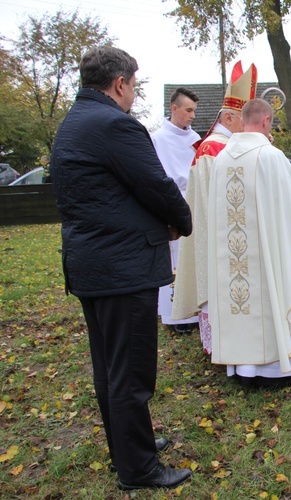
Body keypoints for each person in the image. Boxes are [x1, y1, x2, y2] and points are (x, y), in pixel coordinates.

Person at [50, 46, 192, 490]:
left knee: (110, 367)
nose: (133, 93)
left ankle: (130, 445)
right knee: (130, 372)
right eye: (133, 85)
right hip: (121, 266)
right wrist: (182, 221)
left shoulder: (73, 122)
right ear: (120, 84)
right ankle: (139, 469)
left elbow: (107, 195)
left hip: (93, 265)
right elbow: (155, 184)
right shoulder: (115, 124)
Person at [206, 98, 291, 386]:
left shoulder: (222, 158)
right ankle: (277, 369)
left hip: (231, 257)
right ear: (266, 121)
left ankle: (242, 368)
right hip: (267, 253)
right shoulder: (271, 156)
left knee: (238, 300)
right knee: (272, 292)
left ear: (242, 120)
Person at [172, 63, 255, 355]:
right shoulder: (213, 150)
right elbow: (211, 207)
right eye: (244, 121)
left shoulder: (227, 146)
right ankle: (221, 346)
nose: (247, 129)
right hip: (219, 237)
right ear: (230, 118)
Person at [152, 87, 201, 333]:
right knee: (174, 259)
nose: (192, 115)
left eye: (194, 110)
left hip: (194, 200)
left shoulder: (195, 139)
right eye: (188, 110)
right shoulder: (158, 138)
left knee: (193, 257)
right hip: (172, 200)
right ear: (174, 108)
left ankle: (194, 310)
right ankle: (174, 317)